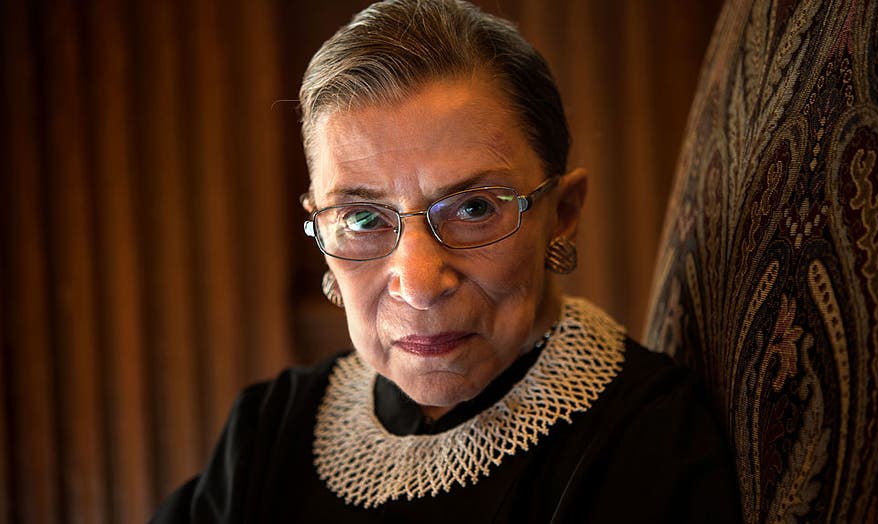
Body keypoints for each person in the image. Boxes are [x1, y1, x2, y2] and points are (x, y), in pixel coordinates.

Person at [151, 0, 740, 521]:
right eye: (362, 218)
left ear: (562, 212)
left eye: (474, 208)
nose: (419, 285)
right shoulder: (269, 431)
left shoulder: (648, 442)